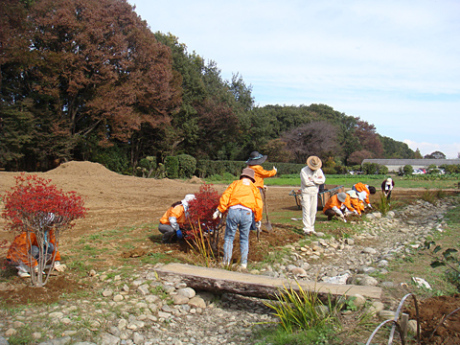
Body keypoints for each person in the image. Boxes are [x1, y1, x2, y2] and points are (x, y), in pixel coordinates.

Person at [212, 168, 263, 269]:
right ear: (252, 178)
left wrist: (220, 210)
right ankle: (243, 264)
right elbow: (259, 205)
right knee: (244, 238)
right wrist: (258, 219)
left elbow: (225, 196)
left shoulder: (235, 184)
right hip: (247, 213)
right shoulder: (254, 188)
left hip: (233, 211)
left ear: (242, 176)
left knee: (229, 237)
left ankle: (226, 261)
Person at [6, 213, 64, 277]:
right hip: (15, 258)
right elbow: (22, 251)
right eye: (51, 223)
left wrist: (56, 261)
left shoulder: (47, 230)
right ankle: (22, 270)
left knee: (49, 247)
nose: (52, 225)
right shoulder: (30, 232)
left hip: (29, 254)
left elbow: (53, 243)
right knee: (34, 249)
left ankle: (35, 268)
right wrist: (34, 264)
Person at [300, 156, 326, 235]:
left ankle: (312, 227)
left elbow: (322, 180)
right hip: (306, 192)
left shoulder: (319, 170)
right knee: (306, 210)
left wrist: (314, 180)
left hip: (314, 192)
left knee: (313, 210)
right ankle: (307, 228)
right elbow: (306, 182)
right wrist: (316, 182)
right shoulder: (303, 171)